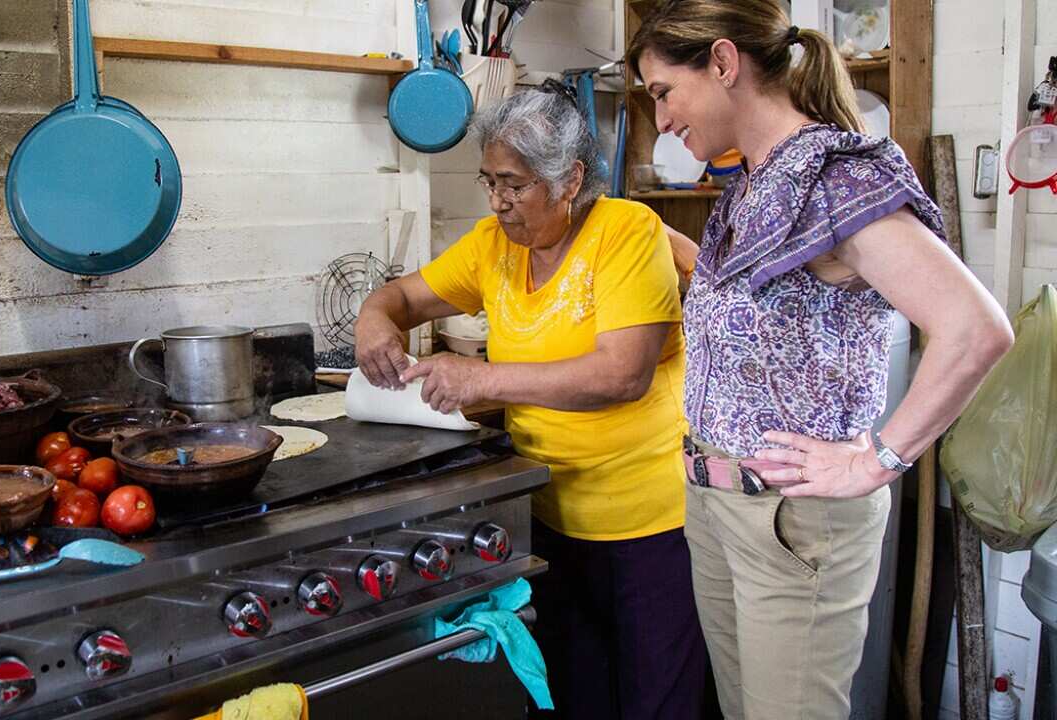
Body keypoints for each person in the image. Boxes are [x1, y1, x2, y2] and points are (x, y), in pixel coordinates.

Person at [628, 2, 1015, 718]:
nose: (663, 121)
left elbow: (976, 329)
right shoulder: (751, 183)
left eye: (663, 93)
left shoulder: (835, 181)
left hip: (792, 521)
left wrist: (876, 459)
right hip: (717, 506)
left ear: (721, 62)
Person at [354, 81, 706, 719]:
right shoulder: (494, 247)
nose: (498, 203)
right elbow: (398, 298)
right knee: (573, 695)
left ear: (570, 179)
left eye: (514, 185)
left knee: (659, 702)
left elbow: (621, 375)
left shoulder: (626, 232)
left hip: (650, 527)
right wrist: (374, 319)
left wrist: (480, 379)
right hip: (545, 515)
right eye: (488, 182)